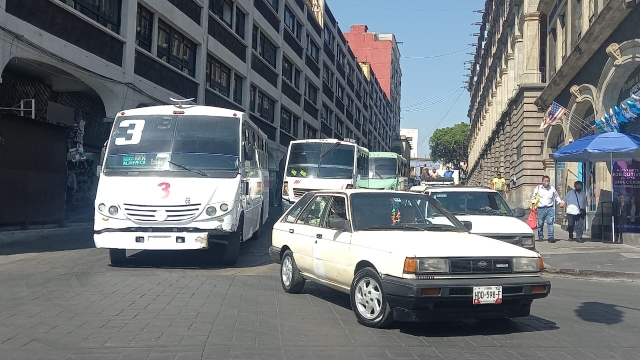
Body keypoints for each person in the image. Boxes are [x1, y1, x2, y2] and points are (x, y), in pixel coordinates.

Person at [531, 175, 564, 243]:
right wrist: (533, 205)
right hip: (541, 208)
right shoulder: (538, 188)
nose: (546, 182)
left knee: (550, 223)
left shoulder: (552, 188)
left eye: (548, 181)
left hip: (550, 208)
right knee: (540, 223)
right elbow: (533, 197)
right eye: (545, 181)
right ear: (542, 181)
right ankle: (540, 236)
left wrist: (559, 203)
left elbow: (556, 196)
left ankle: (550, 237)